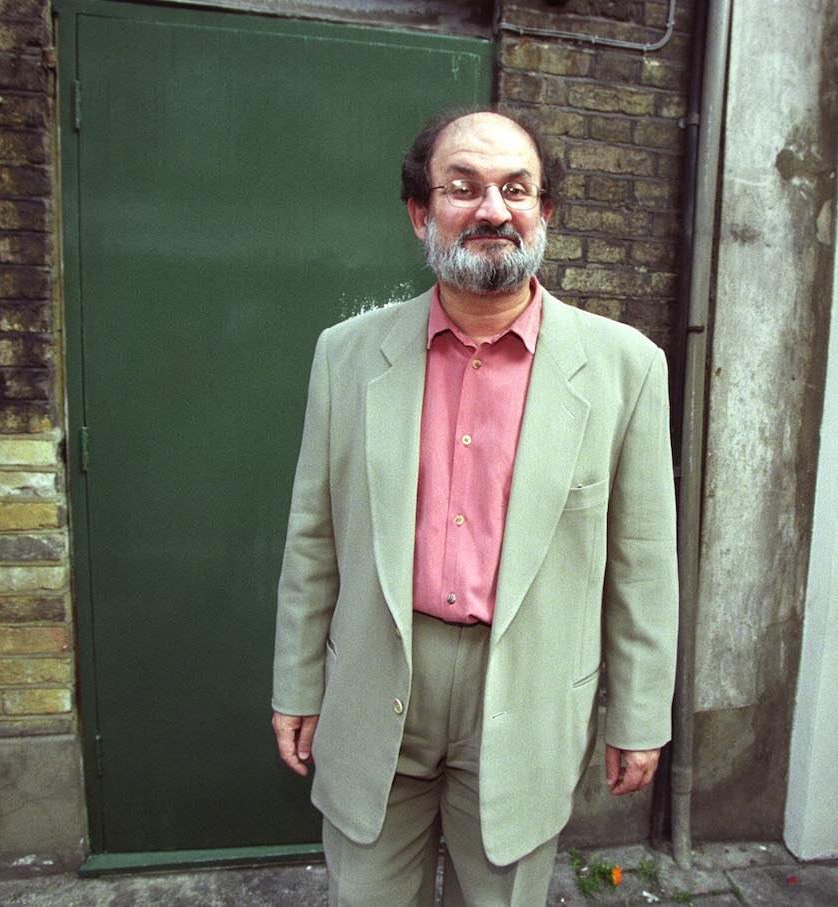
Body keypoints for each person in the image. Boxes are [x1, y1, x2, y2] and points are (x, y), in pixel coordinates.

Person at [269, 108, 679, 906]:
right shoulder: (345, 355)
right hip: (379, 676)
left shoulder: (627, 367)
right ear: (421, 214)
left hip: (527, 686)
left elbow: (643, 560)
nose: (493, 209)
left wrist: (638, 710)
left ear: (544, 212)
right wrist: (295, 682)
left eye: (515, 189)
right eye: (462, 187)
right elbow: (312, 537)